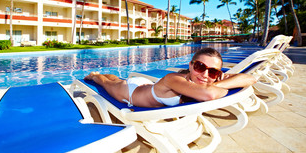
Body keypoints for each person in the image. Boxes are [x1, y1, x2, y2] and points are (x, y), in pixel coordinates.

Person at [84, 48, 257, 108]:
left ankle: (105, 75)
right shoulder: (174, 79)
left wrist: (218, 80)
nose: (205, 75)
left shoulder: (206, 81)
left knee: (115, 77)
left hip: (147, 85)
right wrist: (216, 83)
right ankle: (94, 74)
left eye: (212, 72)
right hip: (129, 92)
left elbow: (249, 78)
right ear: (190, 65)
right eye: (200, 67)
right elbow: (209, 95)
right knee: (104, 81)